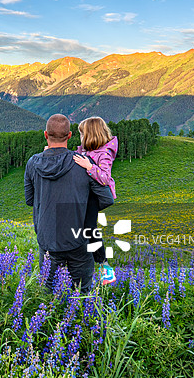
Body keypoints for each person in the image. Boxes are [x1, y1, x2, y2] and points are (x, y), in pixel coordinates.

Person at [25, 114, 114, 294]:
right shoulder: (83, 163)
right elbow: (106, 198)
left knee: (47, 294)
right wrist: (81, 208)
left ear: (45, 135)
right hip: (79, 240)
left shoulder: (33, 163)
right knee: (83, 292)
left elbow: (30, 200)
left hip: (47, 239)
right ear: (70, 135)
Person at [73, 117, 118, 285]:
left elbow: (105, 177)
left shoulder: (104, 153)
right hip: (86, 195)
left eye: (82, 134)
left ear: (91, 135)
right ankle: (89, 265)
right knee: (83, 228)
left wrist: (90, 167)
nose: (80, 138)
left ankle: (106, 267)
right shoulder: (88, 151)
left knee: (90, 229)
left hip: (94, 196)